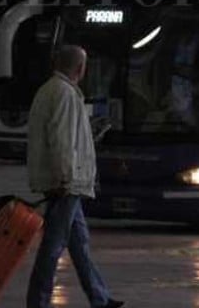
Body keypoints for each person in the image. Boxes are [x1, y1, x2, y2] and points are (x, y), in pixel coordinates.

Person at [26, 45, 123, 308]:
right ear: (80, 68)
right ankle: (38, 302)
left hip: (67, 181)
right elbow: (62, 141)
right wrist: (66, 179)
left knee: (79, 244)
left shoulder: (50, 90)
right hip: (66, 184)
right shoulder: (65, 94)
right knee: (53, 247)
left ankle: (99, 297)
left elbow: (62, 137)